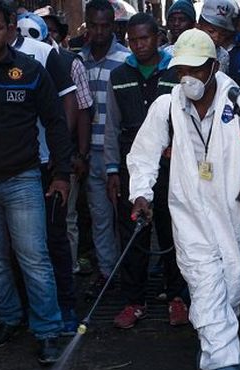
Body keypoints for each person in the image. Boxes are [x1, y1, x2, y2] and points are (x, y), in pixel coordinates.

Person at [126, 28, 240, 370]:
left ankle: (214, 339)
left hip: (230, 212)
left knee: (231, 284)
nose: (188, 78)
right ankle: (223, 365)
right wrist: (140, 195)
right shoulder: (166, 106)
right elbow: (143, 154)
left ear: (214, 66)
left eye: (196, 70)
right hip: (187, 213)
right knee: (204, 281)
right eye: (181, 69)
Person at [0, 0, 72, 364]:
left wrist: (61, 174)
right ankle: (8, 318)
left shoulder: (30, 70)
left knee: (34, 260)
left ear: (10, 28)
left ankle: (47, 331)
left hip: (23, 179)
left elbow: (56, 122)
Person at [104, 13, 187, 329]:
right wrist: (112, 169)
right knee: (134, 235)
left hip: (170, 166)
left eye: (145, 38)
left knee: (172, 230)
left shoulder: (175, 72)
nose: (140, 45)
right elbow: (111, 126)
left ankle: (177, 297)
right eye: (134, 40)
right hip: (131, 167)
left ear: (158, 38)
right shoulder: (119, 75)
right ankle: (134, 302)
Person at [37, 6, 95, 277]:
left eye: (50, 31)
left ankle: (69, 272)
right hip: (32, 157)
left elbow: (82, 110)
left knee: (66, 217)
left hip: (63, 154)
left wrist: (79, 154)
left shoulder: (69, 63)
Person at [79, 0, 130, 298]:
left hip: (120, 152)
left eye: (105, 26)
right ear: (87, 24)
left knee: (126, 215)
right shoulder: (77, 60)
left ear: (113, 25)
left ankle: (134, 273)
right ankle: (108, 273)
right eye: (94, 25)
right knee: (100, 216)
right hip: (90, 153)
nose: (99, 32)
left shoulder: (125, 60)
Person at [199, 0, 240, 87]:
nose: (216, 37)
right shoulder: (183, 47)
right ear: (198, 26)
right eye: (211, 31)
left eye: (223, 33)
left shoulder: (223, 55)